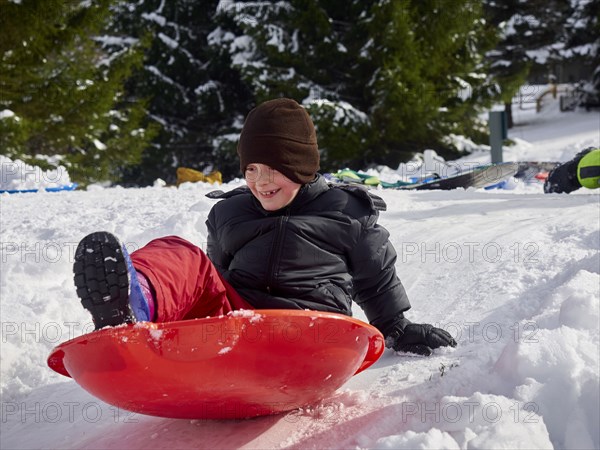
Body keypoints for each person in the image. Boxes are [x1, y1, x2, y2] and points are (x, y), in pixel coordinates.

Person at [73, 98, 456, 356]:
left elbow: (376, 279)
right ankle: (133, 303)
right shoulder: (230, 212)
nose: (261, 181)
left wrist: (396, 327)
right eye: (251, 169)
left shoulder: (346, 211)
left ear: (301, 166)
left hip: (310, 328)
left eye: (274, 168)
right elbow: (212, 279)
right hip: (237, 328)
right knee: (180, 252)